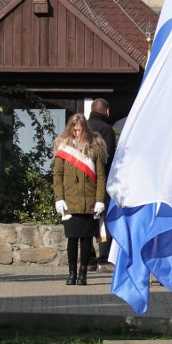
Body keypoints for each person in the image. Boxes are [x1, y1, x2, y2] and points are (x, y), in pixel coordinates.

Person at [53, 113, 107, 286]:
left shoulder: (95, 148)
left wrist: (100, 199)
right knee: (72, 238)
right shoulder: (63, 148)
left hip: (89, 201)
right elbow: (57, 175)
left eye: (79, 130)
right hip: (69, 201)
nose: (76, 133)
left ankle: (83, 274)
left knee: (86, 240)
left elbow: (100, 176)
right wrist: (59, 198)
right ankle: (71, 273)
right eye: (74, 130)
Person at [86, 98, 116, 271]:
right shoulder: (106, 129)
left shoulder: (82, 127)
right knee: (103, 220)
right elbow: (109, 157)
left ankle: (89, 260)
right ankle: (104, 258)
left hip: (84, 181)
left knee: (86, 219)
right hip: (102, 181)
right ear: (107, 112)